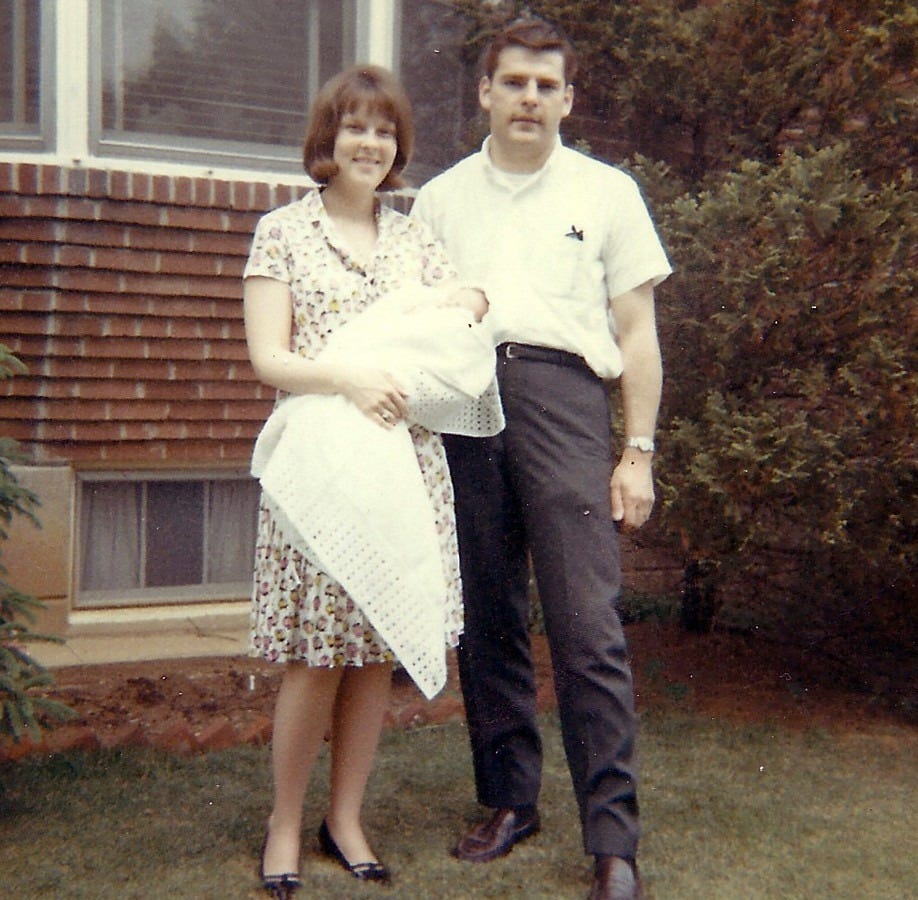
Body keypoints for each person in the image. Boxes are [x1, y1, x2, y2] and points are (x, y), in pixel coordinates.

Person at [411, 17, 671, 900]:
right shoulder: (442, 198)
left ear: (567, 98)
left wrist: (636, 450)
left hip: (565, 403)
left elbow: (636, 333)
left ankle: (614, 840)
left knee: (586, 626)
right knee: (489, 618)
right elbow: (419, 319)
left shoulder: (607, 193)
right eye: (513, 82)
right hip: (467, 401)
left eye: (545, 85)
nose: (529, 98)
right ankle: (509, 802)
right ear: (485, 92)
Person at [243, 64, 498, 899]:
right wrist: (350, 379)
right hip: (320, 462)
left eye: (385, 131)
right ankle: (286, 821)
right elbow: (269, 358)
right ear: (328, 138)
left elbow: (450, 322)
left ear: (398, 148)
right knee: (317, 655)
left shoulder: (414, 238)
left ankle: (344, 816)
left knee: (373, 651)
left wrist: (465, 298)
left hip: (403, 465)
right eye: (356, 127)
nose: (370, 143)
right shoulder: (282, 232)